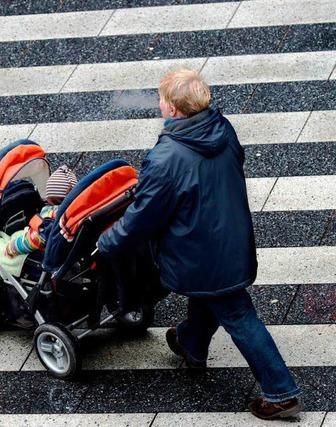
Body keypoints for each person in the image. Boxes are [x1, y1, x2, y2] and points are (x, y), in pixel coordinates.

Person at [97, 67, 302, 420]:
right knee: (214, 296)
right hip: (231, 237)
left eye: (161, 99)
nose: (159, 104)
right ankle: (192, 344)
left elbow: (143, 218)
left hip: (201, 251)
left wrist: (108, 241)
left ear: (174, 110)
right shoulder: (222, 129)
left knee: (237, 313)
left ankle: (281, 392)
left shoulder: (167, 158)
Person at [4, 165, 77, 258]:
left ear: (49, 197)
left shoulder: (51, 216)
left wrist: (11, 248)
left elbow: (35, 239)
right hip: (69, 248)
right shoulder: (76, 211)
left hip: (46, 252)